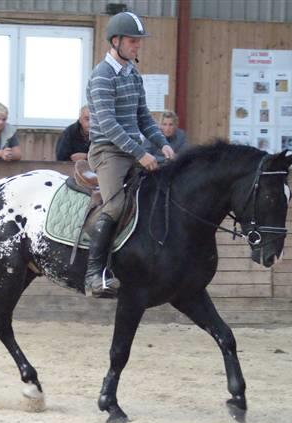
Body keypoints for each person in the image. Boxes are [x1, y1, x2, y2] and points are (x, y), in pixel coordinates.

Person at [85, 11, 175, 298]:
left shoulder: (133, 74)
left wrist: (162, 143)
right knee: (115, 205)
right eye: (133, 41)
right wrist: (140, 153)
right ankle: (94, 273)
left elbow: (143, 116)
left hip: (133, 149)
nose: (138, 46)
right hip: (107, 151)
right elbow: (109, 125)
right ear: (116, 41)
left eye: (139, 41)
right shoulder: (102, 76)